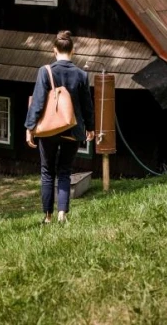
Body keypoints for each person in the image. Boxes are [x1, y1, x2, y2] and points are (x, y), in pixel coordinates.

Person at [25, 31, 95, 224]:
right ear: (73, 51)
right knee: (65, 171)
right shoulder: (81, 74)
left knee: (47, 172)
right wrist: (90, 127)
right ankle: (62, 214)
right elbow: (87, 104)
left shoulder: (45, 71)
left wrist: (30, 128)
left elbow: (38, 102)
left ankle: (47, 217)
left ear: (54, 50)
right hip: (72, 130)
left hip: (48, 130)